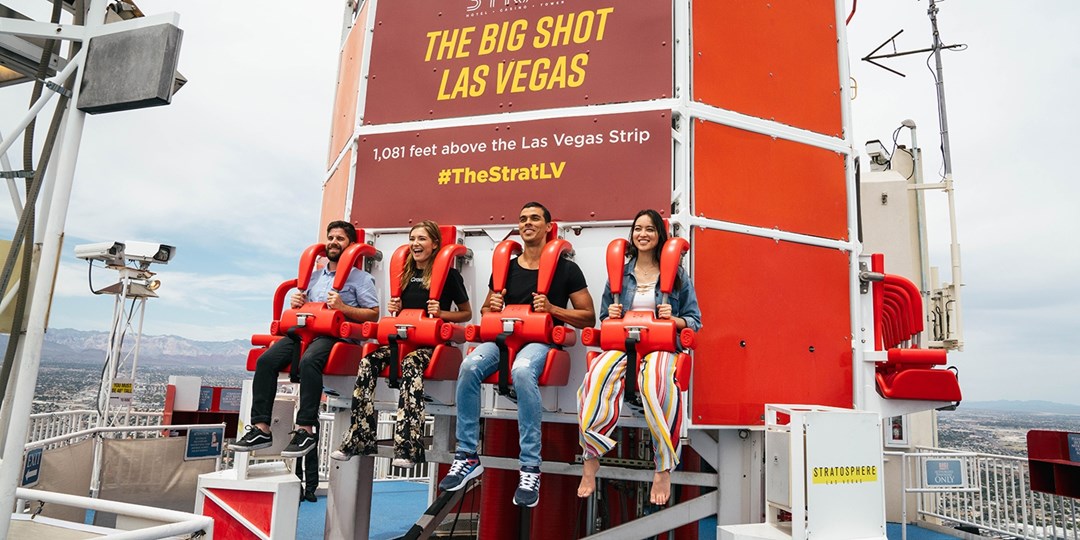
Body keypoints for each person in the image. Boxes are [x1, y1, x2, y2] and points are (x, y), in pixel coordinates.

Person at [438, 202, 595, 508]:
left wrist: (552, 309)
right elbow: (484, 311)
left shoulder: (566, 268)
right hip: (502, 340)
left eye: (535, 218)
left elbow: (587, 317)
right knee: (469, 365)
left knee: (523, 371)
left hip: (540, 343)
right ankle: (467, 455)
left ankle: (530, 468)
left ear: (549, 227)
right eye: (522, 219)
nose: (527, 223)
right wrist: (491, 308)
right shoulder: (506, 268)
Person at [576, 209, 702, 505]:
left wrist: (676, 319)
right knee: (594, 379)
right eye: (637, 229)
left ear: (660, 235)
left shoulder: (678, 275)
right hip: (622, 344)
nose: (642, 234)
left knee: (658, 384)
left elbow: (695, 320)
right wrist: (612, 314)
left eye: (649, 229)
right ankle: (591, 456)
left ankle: (663, 467)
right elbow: (606, 315)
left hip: (660, 345)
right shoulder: (620, 275)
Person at [230, 220, 379, 457]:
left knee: (310, 360)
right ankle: (261, 428)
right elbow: (305, 309)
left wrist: (343, 307)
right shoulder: (313, 277)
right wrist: (297, 304)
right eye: (331, 237)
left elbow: (373, 313)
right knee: (266, 361)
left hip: (336, 336)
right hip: (303, 333)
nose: (333, 242)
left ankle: (305, 429)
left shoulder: (360, 279)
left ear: (351, 244)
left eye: (340, 238)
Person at [331, 221, 472, 468]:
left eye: (422, 239)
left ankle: (407, 448)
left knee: (410, 364)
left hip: (430, 346)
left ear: (435, 244)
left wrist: (442, 314)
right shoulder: (404, 273)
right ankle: (359, 438)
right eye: (412, 238)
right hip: (402, 340)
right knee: (368, 362)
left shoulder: (448, 275)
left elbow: (466, 314)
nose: (416, 244)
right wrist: (395, 310)